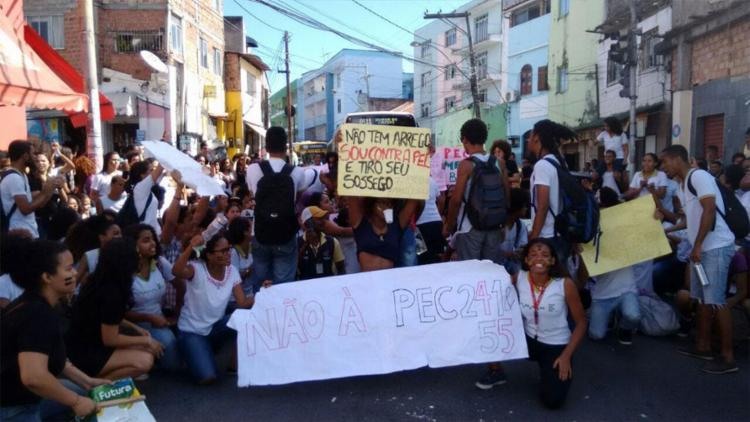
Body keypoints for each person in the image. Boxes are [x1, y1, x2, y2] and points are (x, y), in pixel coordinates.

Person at [1, 241, 106, 421]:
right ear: (47, 277)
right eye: (68, 268)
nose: (75, 273)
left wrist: (88, 382)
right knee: (81, 400)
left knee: (84, 392)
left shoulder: (36, 303)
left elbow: (51, 356)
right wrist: (76, 402)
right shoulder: (37, 315)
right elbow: (33, 376)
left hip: (22, 397)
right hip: (14, 407)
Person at [660, 145, 738, 374]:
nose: (662, 167)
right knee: (703, 299)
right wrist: (668, 229)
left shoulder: (699, 176)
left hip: (714, 247)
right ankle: (702, 346)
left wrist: (698, 245)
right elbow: (690, 219)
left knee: (716, 300)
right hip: (701, 249)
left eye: (664, 162)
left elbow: (709, 210)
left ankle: (728, 357)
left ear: (676, 159)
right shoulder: (682, 186)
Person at [66, 238, 159, 379]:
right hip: (87, 352)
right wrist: (145, 340)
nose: (139, 257)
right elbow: (110, 339)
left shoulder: (99, 280)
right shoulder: (112, 293)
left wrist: (138, 330)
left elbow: (109, 318)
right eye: (136, 254)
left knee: (145, 348)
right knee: (144, 361)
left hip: (82, 344)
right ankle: (96, 385)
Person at [514, 238, 587, 409]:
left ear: (553, 261)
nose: (539, 258)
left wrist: (566, 355)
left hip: (555, 345)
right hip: (528, 339)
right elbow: (494, 286)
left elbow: (582, 323)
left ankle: (549, 369)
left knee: (553, 401)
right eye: (533, 254)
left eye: (545, 255)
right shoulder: (520, 277)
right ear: (526, 260)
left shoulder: (565, 284)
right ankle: (495, 371)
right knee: (490, 336)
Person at [172, 234, 255, 384]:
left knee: (243, 317)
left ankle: (233, 365)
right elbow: (176, 271)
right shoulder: (196, 269)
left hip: (215, 328)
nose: (228, 253)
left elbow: (242, 303)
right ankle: (191, 350)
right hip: (192, 331)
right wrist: (191, 246)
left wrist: (263, 293)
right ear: (209, 255)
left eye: (229, 249)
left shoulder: (232, 271)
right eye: (223, 251)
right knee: (207, 377)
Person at [247, 127, 309, 285]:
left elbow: (252, 193)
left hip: (260, 231)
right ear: (286, 146)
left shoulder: (253, 169)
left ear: (266, 147)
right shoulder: (297, 172)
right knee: (283, 286)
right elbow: (298, 196)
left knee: (260, 284)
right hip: (286, 234)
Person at [443, 119, 509, 264]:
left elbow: (456, 200)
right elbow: (506, 195)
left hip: (469, 228)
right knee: (489, 272)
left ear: (465, 139)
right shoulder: (500, 163)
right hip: (494, 226)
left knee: (470, 273)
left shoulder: (466, 165)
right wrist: (504, 224)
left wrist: (448, 226)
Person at [123, 224, 180, 372]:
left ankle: (149, 353)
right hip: (130, 326)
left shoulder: (160, 263)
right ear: (133, 245)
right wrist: (149, 318)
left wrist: (177, 313)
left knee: (172, 365)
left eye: (153, 239)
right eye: (146, 240)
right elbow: (118, 313)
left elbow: (181, 285)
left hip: (158, 323)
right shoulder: (124, 269)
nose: (153, 243)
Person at [587, 187, 641, 345]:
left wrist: (654, 219)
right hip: (603, 293)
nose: (598, 204)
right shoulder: (592, 229)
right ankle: (609, 316)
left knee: (633, 316)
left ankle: (625, 327)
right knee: (596, 335)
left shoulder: (626, 225)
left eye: (600, 201)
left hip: (626, 289)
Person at [527, 119, 578, 264]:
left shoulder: (542, 166)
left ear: (537, 138)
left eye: (530, 135)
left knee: (548, 282)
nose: (528, 139)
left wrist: (534, 239)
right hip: (561, 233)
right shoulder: (558, 162)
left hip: (547, 236)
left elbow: (542, 206)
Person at [1, 140, 63, 238]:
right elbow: (25, 209)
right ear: (25, 156)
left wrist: (51, 187)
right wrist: (45, 190)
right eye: (33, 154)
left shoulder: (22, 175)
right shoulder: (14, 178)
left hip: (30, 231)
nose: (35, 157)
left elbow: (40, 203)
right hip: (19, 234)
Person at [348, 197, 420, 272]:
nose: (386, 207)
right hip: (368, 279)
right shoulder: (361, 224)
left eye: (390, 204)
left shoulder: (396, 225)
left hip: (389, 279)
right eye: (382, 203)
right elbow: (351, 196)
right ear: (372, 204)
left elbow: (414, 200)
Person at [297, 206, 346, 280]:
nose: (323, 221)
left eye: (323, 218)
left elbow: (341, 269)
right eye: (319, 219)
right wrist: (306, 244)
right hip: (305, 288)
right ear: (308, 222)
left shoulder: (332, 242)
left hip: (328, 287)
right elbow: (293, 267)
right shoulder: (298, 242)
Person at [126, 160, 164, 236]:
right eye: (151, 170)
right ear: (142, 175)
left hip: (154, 234)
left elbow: (162, 174)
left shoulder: (146, 189)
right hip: (146, 235)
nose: (153, 172)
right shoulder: (140, 188)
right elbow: (160, 169)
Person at [416, 176, 445, 265]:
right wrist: (439, 214)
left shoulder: (412, 180)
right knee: (437, 256)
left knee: (421, 256)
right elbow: (441, 200)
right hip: (436, 222)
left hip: (419, 225)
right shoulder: (432, 180)